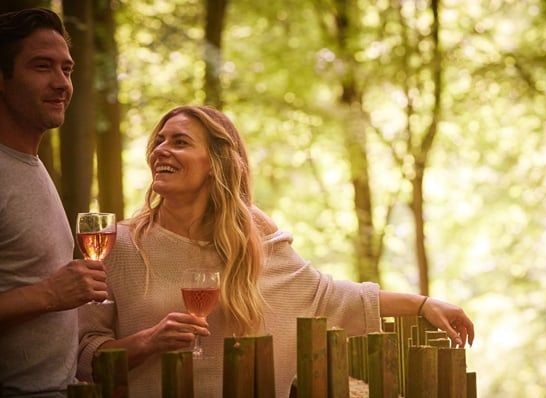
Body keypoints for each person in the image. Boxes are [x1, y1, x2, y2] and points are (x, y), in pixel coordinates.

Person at [77, 105, 474, 397]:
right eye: (159, 141)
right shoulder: (118, 246)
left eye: (179, 142)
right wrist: (148, 341)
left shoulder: (252, 244)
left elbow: (330, 297)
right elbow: (85, 354)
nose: (160, 150)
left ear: (216, 163)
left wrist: (422, 304)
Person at [0, 7, 109, 397]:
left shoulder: (31, 165)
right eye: (42, 66)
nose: (61, 83)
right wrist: (50, 294)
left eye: (67, 69)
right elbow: (47, 292)